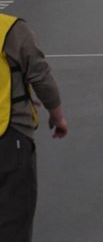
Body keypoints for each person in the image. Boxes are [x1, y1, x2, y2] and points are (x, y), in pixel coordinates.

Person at [0, 15, 69, 241]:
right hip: (9, 136)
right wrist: (57, 116)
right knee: (13, 219)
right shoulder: (10, 29)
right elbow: (40, 76)